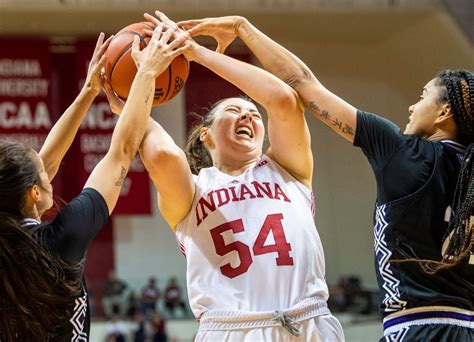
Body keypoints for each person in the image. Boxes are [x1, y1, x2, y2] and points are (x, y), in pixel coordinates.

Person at [178, 15, 474, 341]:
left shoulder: (403, 152)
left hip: (417, 327)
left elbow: (300, 83)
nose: (412, 107)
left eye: (423, 96)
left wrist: (239, 29)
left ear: (445, 112)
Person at [104, 11, 345, 341]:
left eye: (252, 112)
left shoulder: (288, 169)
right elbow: (161, 155)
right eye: (234, 110)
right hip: (230, 329)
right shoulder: (194, 189)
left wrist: (194, 51)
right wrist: (136, 96)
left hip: (307, 321)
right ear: (206, 134)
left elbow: (283, 100)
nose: (247, 113)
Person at [0, 25, 189, 341]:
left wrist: (89, 90)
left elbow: (42, 164)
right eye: (45, 175)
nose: (51, 170)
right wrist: (146, 73)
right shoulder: (63, 239)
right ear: (34, 193)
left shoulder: (20, 236)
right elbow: (123, 151)